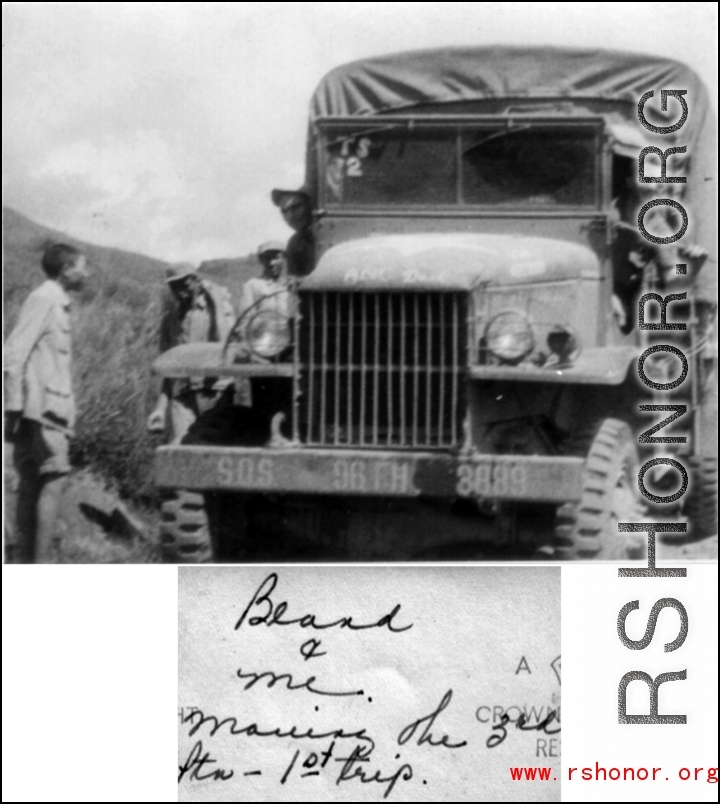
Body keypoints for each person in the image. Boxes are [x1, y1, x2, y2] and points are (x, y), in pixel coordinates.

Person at [4, 242, 89, 562]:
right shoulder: (44, 299)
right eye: (83, 266)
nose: (87, 272)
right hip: (44, 411)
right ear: (66, 269)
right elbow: (13, 354)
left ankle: (25, 566)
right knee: (53, 481)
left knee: (32, 483)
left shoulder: (54, 301)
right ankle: (39, 571)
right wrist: (13, 409)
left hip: (43, 409)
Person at [147, 263, 235, 443]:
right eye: (174, 287)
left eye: (184, 285)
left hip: (215, 394)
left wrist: (217, 302)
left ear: (196, 281)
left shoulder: (219, 306)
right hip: (184, 396)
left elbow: (228, 348)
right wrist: (160, 408)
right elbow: (169, 368)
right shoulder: (171, 318)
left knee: (215, 450)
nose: (180, 292)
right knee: (180, 452)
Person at [271, 187, 315, 277]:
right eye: (284, 211)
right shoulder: (296, 242)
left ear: (309, 204)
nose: (291, 216)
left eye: (295, 207)